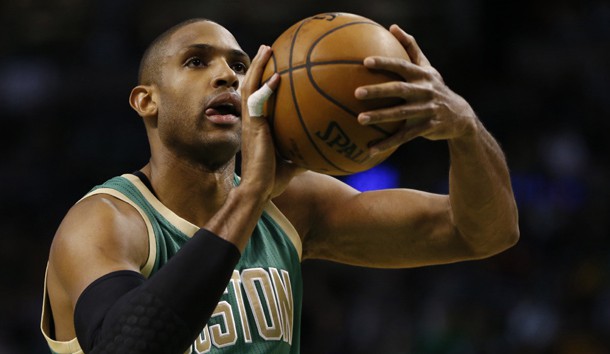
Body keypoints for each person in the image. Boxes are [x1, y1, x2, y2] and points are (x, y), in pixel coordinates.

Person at [40, 16, 519, 354]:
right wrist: (250, 197)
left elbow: (483, 232)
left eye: (240, 65)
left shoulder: (294, 204)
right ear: (147, 101)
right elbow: (124, 348)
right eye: (196, 62)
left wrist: (465, 129)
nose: (228, 75)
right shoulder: (105, 222)